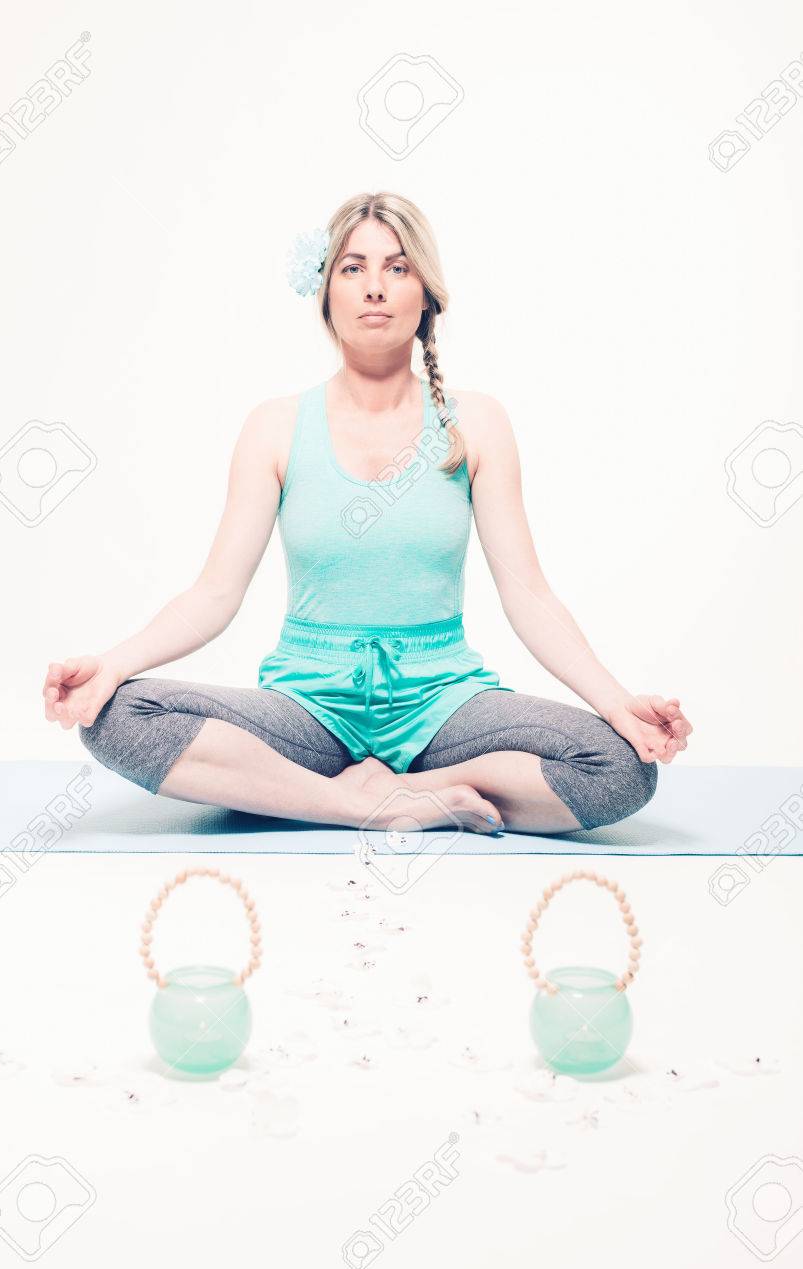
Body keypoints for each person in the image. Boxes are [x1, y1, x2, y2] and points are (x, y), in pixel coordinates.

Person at [42, 192, 692, 837]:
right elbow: (214, 593)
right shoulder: (274, 427)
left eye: (397, 267)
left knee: (618, 769)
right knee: (117, 715)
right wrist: (114, 663)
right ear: (326, 293)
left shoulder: (478, 424)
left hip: (442, 704)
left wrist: (615, 703)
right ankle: (358, 805)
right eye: (353, 268)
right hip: (307, 709)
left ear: (426, 294)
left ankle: (382, 792)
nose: (374, 287)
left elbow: (529, 596)